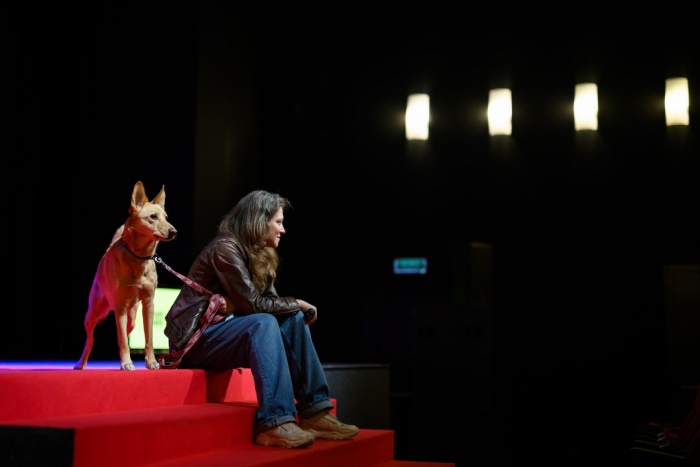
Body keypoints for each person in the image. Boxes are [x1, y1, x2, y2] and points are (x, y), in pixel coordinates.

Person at [163, 190, 359, 448]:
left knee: (293, 319)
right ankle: (274, 422)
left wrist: (292, 308)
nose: (283, 230)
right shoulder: (225, 248)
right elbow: (256, 306)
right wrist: (298, 301)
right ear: (259, 221)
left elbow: (267, 305)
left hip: (227, 334)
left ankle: (315, 412)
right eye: (278, 222)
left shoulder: (261, 253)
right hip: (196, 341)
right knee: (265, 322)